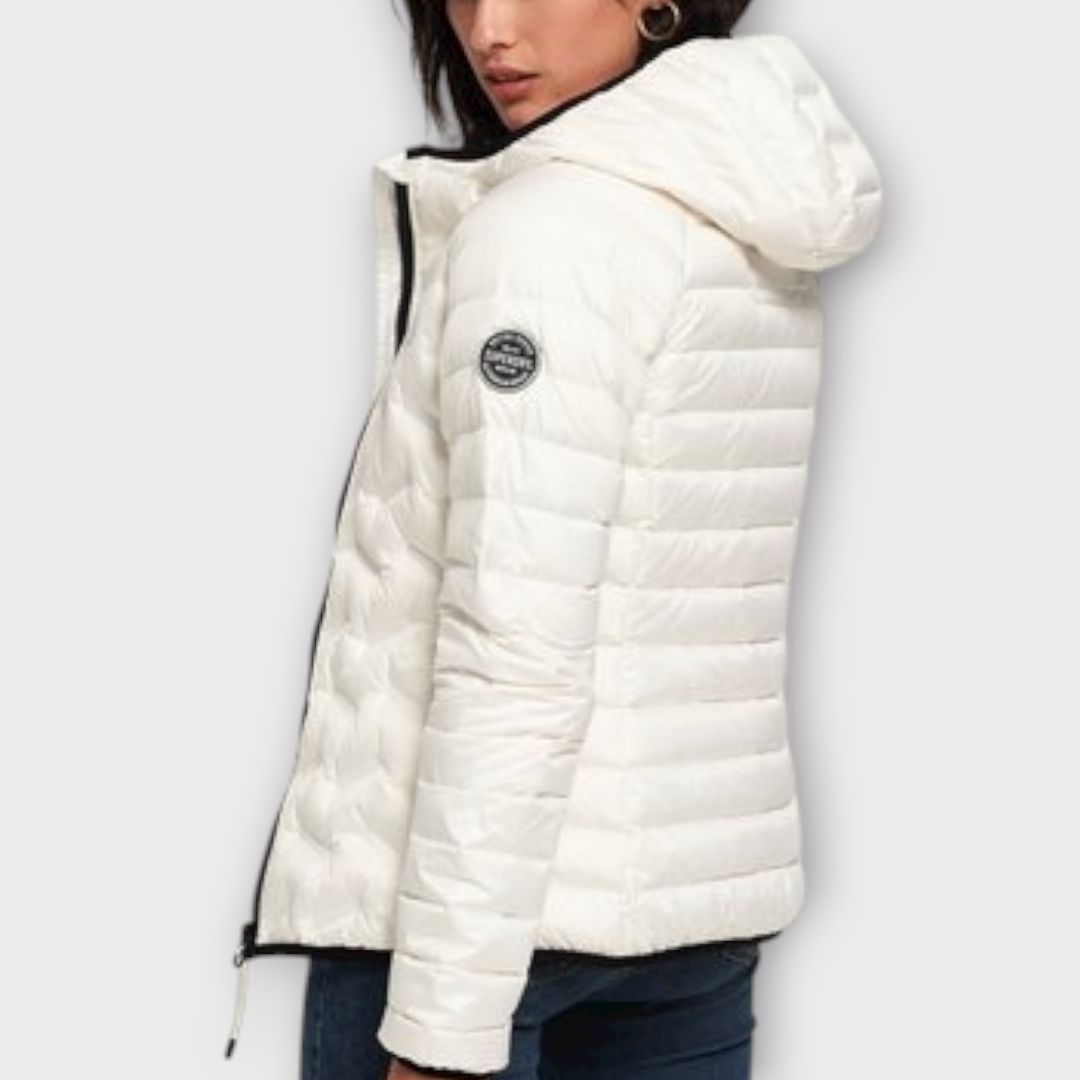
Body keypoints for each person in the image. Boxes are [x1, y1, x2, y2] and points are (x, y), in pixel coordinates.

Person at [224, 2, 884, 1079]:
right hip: (688, 919)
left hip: (476, 943)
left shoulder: (548, 235)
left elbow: (513, 649)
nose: (491, 30)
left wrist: (441, 1026)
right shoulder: (731, 203)